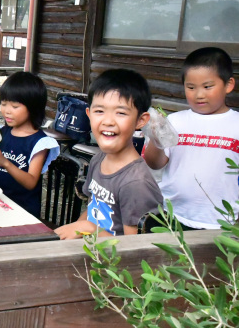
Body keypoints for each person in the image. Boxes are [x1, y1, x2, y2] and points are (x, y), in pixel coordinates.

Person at [55, 69, 163, 239]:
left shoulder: (136, 183)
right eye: (99, 111)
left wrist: (91, 229)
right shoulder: (98, 159)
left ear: (140, 120)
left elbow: (135, 250)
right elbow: (91, 211)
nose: (108, 121)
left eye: (121, 113)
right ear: (89, 115)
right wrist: (75, 230)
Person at [144, 47, 238, 230]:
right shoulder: (174, 122)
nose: (199, 94)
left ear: (228, 84)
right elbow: (154, 163)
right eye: (191, 87)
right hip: (172, 216)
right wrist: (156, 140)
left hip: (221, 223)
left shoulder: (236, 125)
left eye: (207, 86)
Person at [0, 72, 59, 218]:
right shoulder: (2, 133)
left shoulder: (40, 143)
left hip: (23, 212)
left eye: (14, 106)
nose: (6, 111)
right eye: (3, 104)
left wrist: (4, 162)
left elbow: (31, 182)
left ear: (33, 107)